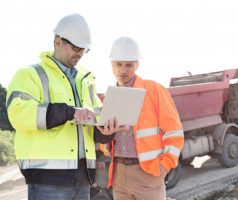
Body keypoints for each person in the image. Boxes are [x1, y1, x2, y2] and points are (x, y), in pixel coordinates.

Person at [6, 13, 125, 200]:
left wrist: (107, 130)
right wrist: (69, 113)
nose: (79, 53)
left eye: (83, 49)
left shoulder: (85, 81)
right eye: (76, 47)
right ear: (58, 42)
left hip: (83, 180)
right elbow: (17, 114)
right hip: (48, 181)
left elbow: (91, 130)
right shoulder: (30, 75)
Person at [105, 36, 184, 200]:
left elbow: (174, 133)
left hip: (148, 174)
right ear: (111, 65)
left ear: (137, 65)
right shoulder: (110, 97)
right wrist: (105, 144)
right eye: (118, 65)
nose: (123, 70)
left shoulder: (154, 90)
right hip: (119, 174)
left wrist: (163, 167)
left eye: (128, 65)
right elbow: (105, 140)